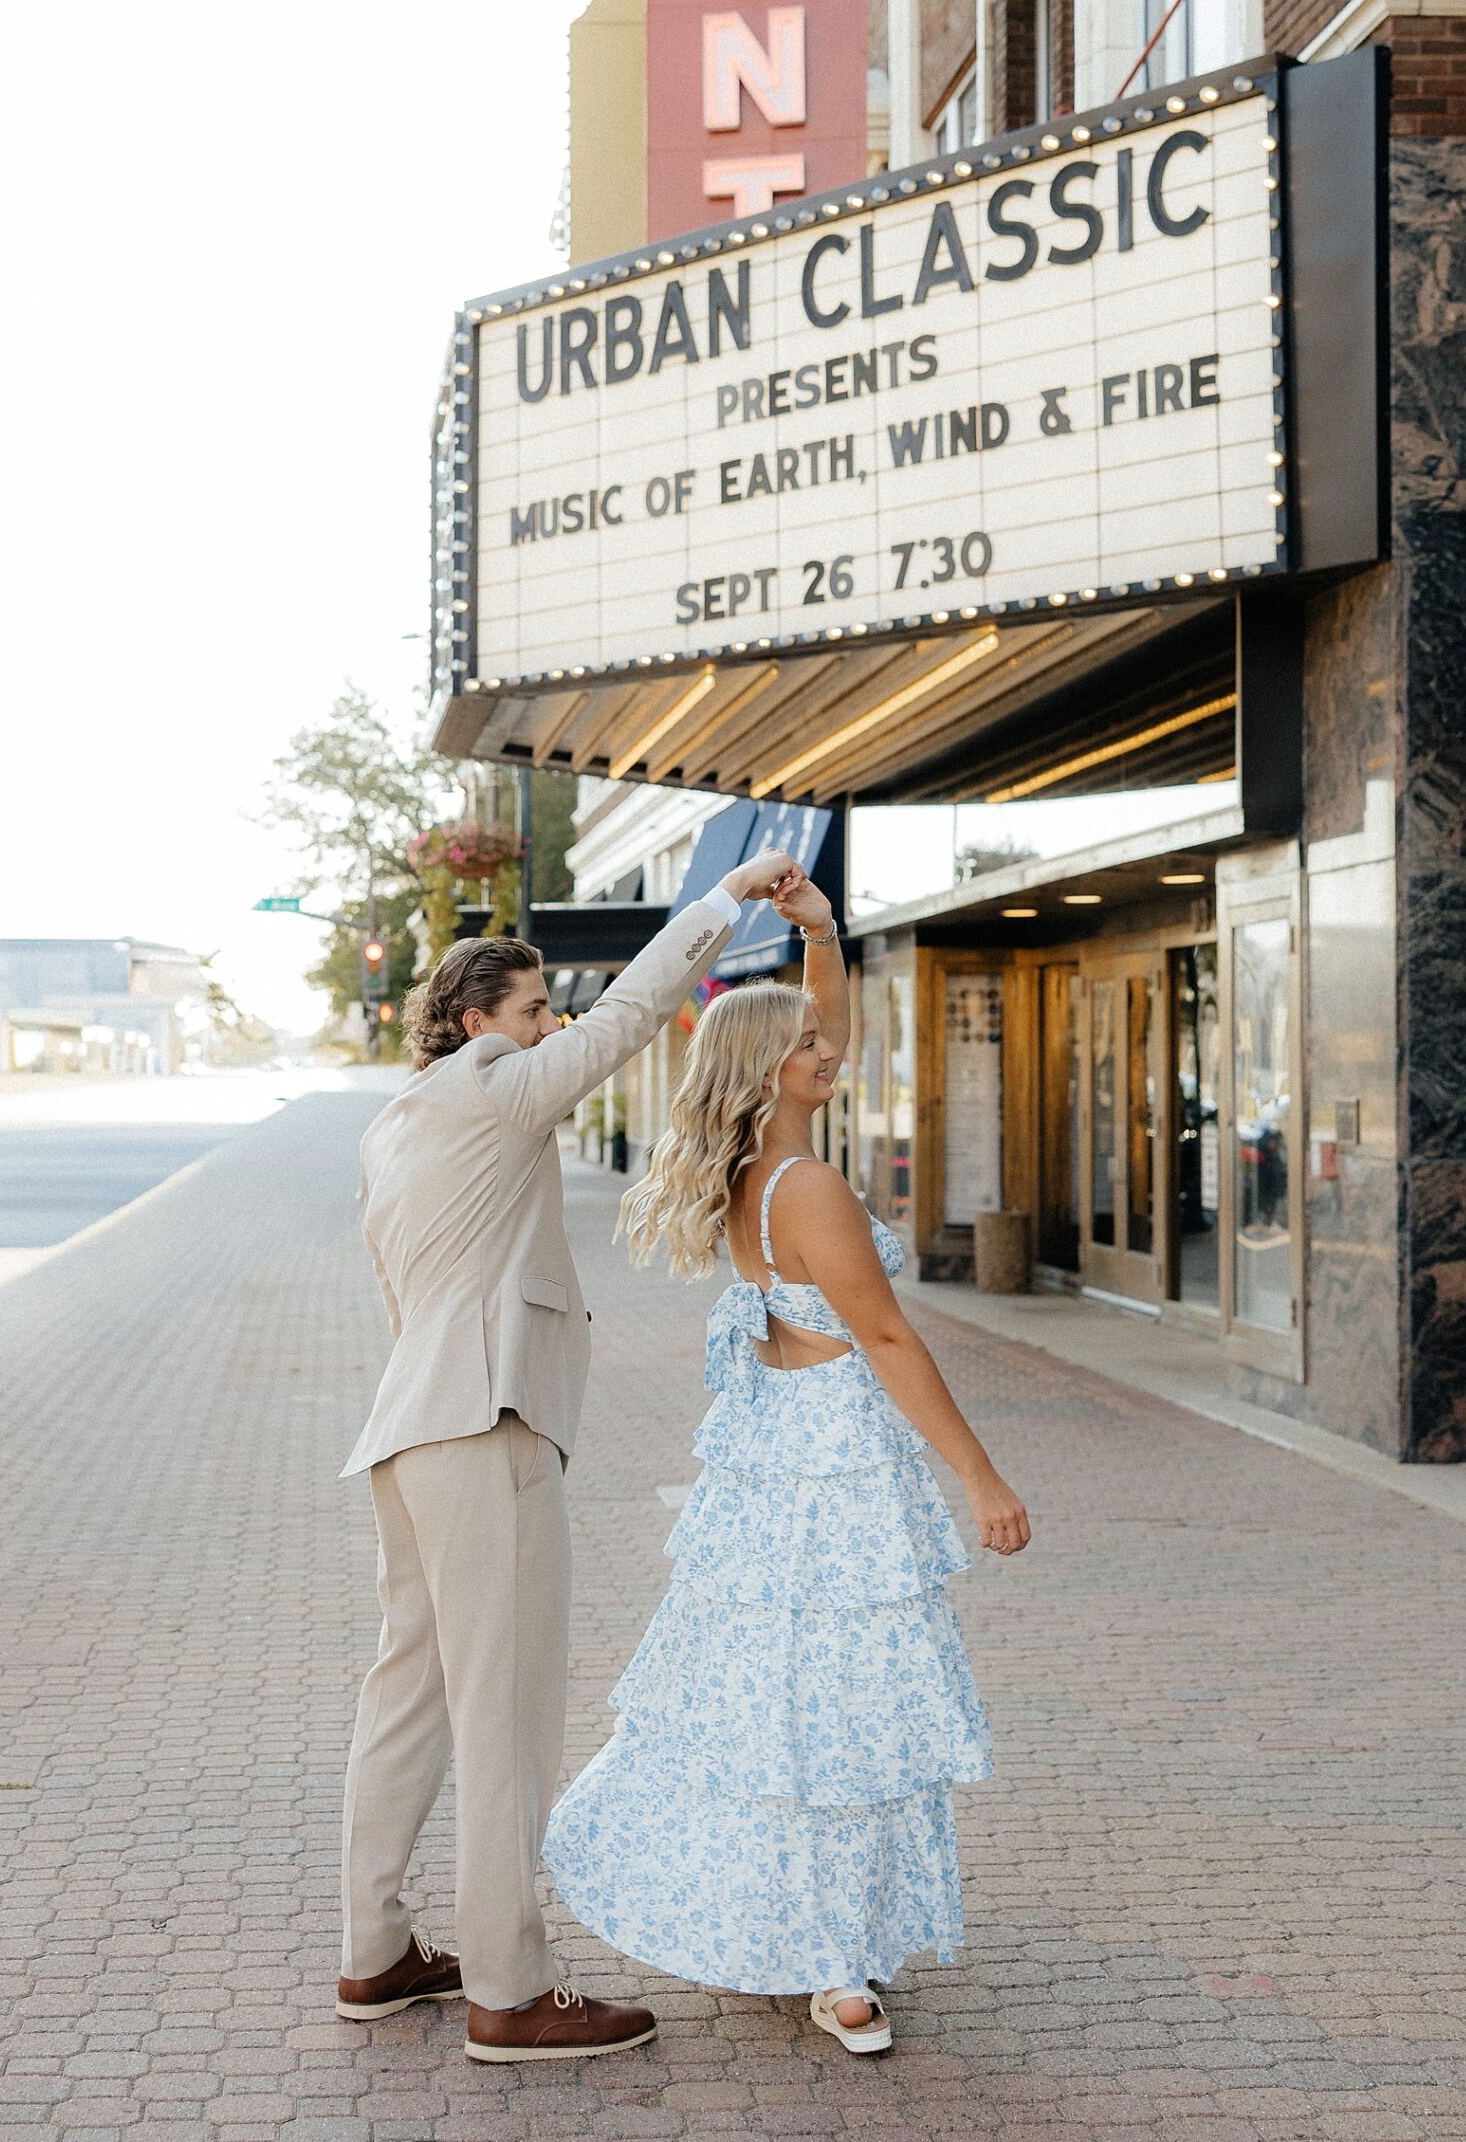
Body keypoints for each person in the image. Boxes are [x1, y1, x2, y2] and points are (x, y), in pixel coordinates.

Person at [543, 871, 1030, 2055]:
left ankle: (812, 1936)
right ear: (769, 1071)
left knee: (794, 1704)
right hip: (833, 1470)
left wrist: (817, 931)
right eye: (808, 1044)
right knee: (839, 1706)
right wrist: (981, 1477)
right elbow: (886, 1336)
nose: (830, 1049)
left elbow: (834, 1029)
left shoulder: (763, 1168)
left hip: (789, 1457)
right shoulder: (806, 1185)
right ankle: (835, 1965)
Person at [335, 845, 805, 2063]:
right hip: (485, 1433)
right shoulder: (501, 1087)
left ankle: (376, 1951)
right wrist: (723, 899)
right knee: (508, 1718)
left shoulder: (395, 1127)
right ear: (481, 1020)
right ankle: (508, 1988)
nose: (556, 1025)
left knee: (408, 1700)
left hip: (408, 1434)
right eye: (538, 1007)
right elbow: (641, 1010)